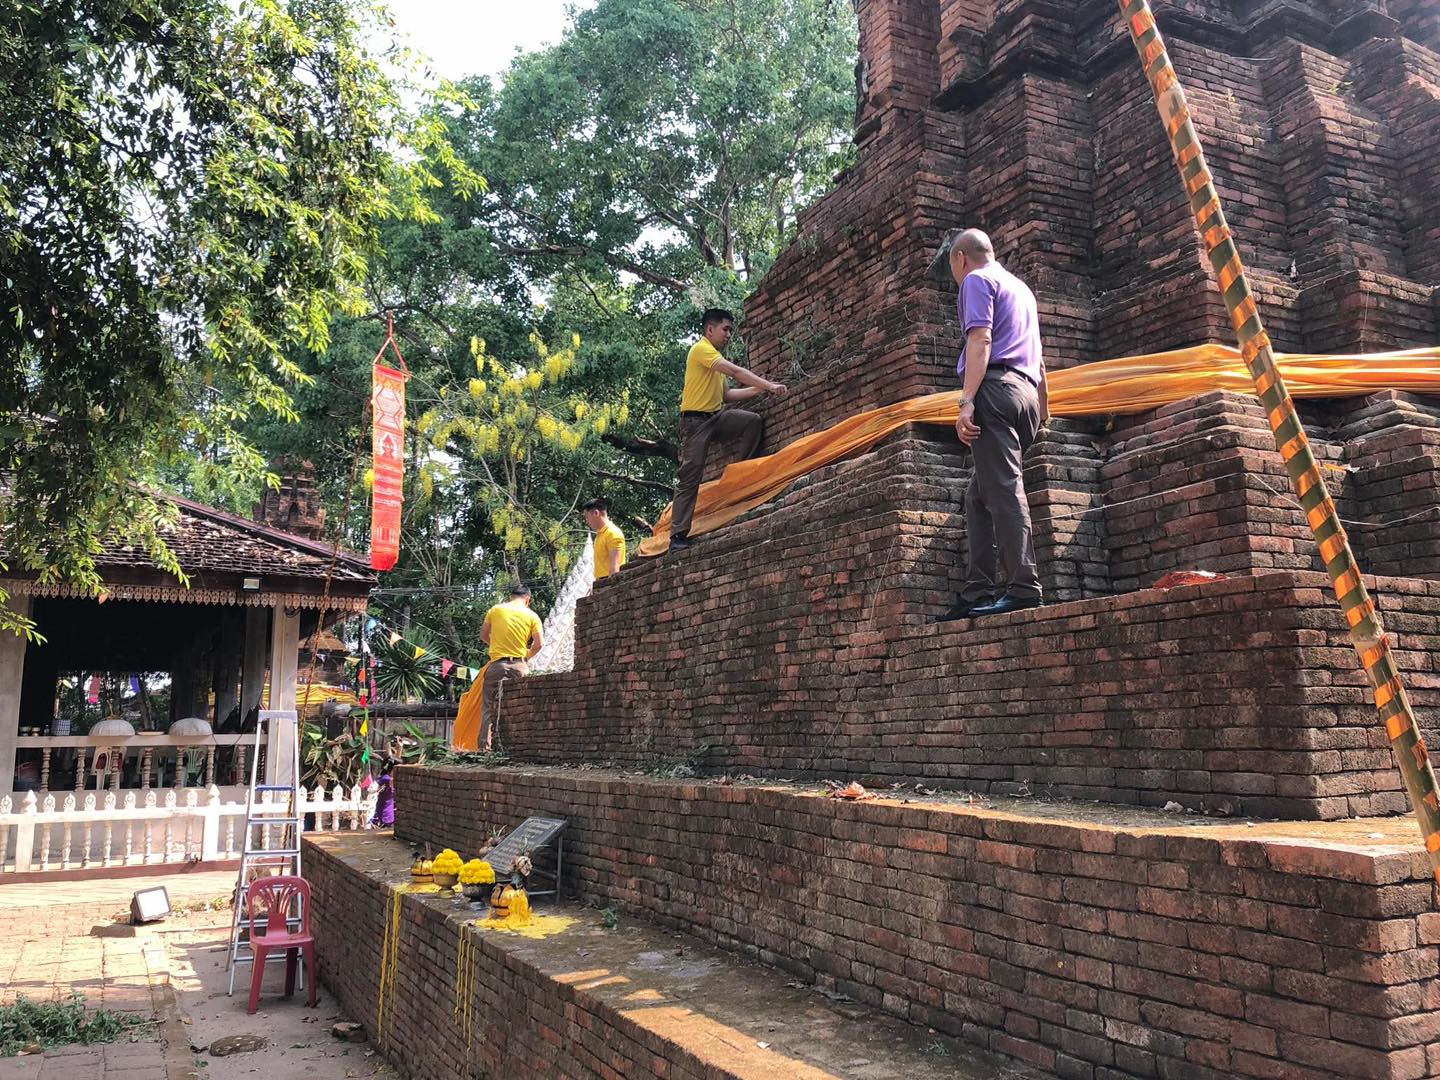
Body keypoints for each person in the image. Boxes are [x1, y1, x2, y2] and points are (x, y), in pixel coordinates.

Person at [929, 228, 1049, 619]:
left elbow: (980, 340)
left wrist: (966, 402)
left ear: (959, 258)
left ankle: (1024, 587)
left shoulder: (976, 280)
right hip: (1026, 396)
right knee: (978, 496)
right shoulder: (1021, 289)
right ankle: (978, 590)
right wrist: (1043, 410)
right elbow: (1039, 360)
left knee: (1004, 490)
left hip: (995, 392)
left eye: (952, 266)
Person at [669, 308, 788, 551]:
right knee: (690, 476)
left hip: (717, 417)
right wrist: (767, 384)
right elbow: (736, 372)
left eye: (731, 330)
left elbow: (727, 395)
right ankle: (677, 536)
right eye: (725, 329)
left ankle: (738, 475)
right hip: (694, 423)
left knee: (752, 421)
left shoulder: (713, 358)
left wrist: (762, 389)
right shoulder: (701, 350)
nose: (729, 335)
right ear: (709, 329)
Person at [478, 583, 544, 749]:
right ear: (528, 599)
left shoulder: (495, 610)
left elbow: (483, 635)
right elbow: (539, 644)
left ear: (511, 597)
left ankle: (485, 748)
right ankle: (520, 748)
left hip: (497, 665)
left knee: (489, 708)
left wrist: (497, 646)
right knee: (522, 707)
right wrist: (526, 656)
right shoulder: (532, 615)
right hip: (519, 666)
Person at [582, 497, 626, 580]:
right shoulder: (600, 535)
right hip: (601, 582)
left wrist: (611, 586)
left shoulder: (613, 533)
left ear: (596, 513)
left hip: (610, 581)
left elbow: (615, 566)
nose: (586, 521)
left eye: (587, 517)